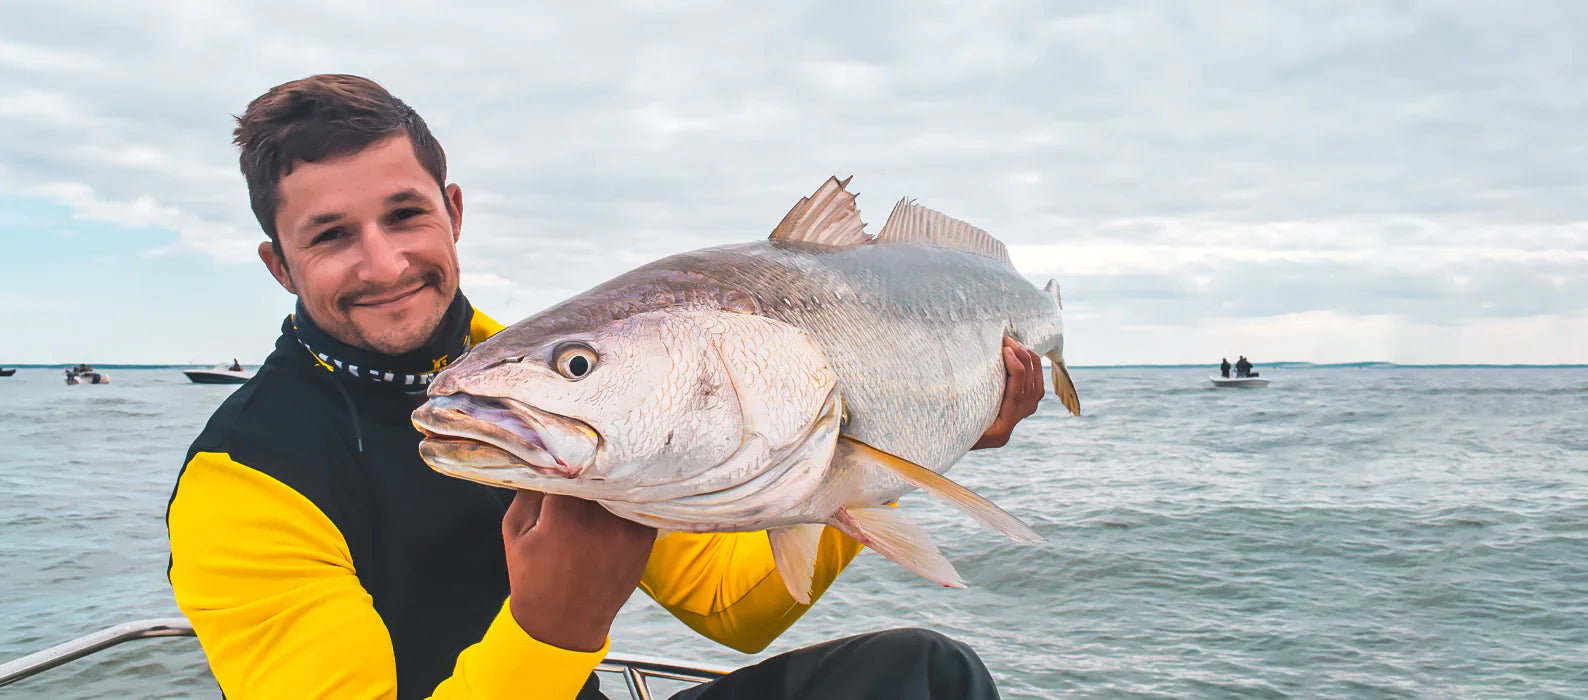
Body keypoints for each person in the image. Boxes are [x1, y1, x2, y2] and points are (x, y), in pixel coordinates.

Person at [164, 74, 1045, 700]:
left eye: (405, 215)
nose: (386, 263)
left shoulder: (547, 391)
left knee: (925, 675)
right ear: (281, 266)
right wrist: (553, 629)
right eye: (330, 237)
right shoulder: (243, 483)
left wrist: (890, 451)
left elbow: (729, 608)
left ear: (453, 212)